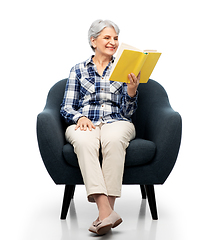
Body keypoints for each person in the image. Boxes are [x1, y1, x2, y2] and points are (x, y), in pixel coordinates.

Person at [60, 19, 140, 235]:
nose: (113, 42)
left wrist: (131, 91)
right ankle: (107, 213)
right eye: (107, 37)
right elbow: (66, 106)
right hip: (86, 122)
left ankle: (104, 215)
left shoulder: (125, 68)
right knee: (85, 141)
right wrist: (78, 118)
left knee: (113, 140)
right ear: (93, 41)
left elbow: (128, 113)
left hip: (117, 121)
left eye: (115, 38)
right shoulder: (78, 69)